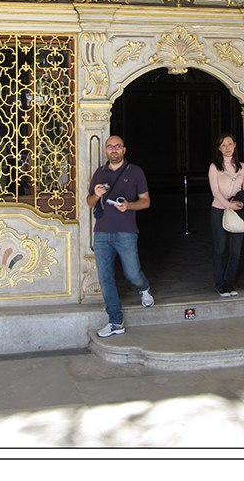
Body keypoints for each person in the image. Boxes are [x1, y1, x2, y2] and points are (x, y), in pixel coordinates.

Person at [87, 135, 154, 337]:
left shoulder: (135, 172)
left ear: (124, 150)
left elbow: (146, 201)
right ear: (106, 150)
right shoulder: (99, 173)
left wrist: (129, 206)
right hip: (101, 232)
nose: (113, 150)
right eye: (110, 147)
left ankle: (144, 288)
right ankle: (115, 321)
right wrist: (97, 195)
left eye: (117, 147)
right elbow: (90, 202)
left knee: (132, 273)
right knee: (105, 278)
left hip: (126, 231)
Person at [208, 133, 244, 297]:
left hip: (237, 211)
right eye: (223, 144)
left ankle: (229, 282)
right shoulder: (215, 167)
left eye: (229, 144)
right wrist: (228, 204)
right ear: (219, 148)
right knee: (220, 249)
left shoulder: (242, 167)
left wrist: (239, 204)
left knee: (236, 251)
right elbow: (215, 191)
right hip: (219, 210)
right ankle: (220, 284)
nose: (227, 147)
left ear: (235, 145)